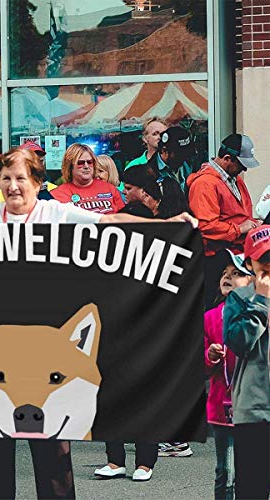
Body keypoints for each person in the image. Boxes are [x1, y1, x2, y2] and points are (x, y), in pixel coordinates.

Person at [0, 147, 197, 499]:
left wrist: (165, 225)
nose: (13, 186)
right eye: (6, 178)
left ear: (37, 182)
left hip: (46, 355)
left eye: (21, 178)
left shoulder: (55, 212)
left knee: (54, 458)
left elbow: (110, 223)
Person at [187, 133, 262, 309]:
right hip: (215, 257)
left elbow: (242, 214)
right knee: (215, 306)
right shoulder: (205, 183)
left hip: (236, 255)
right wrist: (240, 228)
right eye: (241, 164)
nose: (244, 170)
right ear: (227, 158)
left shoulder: (234, 179)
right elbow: (205, 226)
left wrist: (253, 224)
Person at [223, 224, 270, 500]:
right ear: (249, 263)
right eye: (263, 258)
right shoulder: (239, 299)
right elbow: (239, 343)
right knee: (251, 489)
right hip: (253, 407)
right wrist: (261, 301)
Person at [205, 250, 253, 500]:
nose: (227, 277)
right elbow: (199, 366)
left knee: (253, 472)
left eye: (236, 273)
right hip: (222, 408)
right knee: (226, 471)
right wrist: (210, 355)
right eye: (225, 273)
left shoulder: (260, 314)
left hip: (255, 409)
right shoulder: (210, 318)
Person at [51, 143, 125, 215]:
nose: (86, 166)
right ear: (70, 166)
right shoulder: (57, 194)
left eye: (89, 162)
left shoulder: (110, 189)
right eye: (80, 163)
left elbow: (123, 217)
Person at [147, 126, 194, 194]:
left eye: (187, 152)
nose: (184, 157)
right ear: (163, 150)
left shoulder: (191, 163)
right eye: (179, 154)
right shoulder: (150, 172)